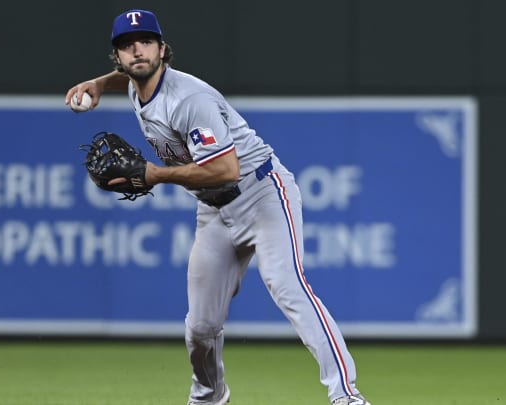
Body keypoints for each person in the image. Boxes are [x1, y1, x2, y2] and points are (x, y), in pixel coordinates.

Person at [64, 9, 371, 405]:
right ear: (118, 57)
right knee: (200, 326)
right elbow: (129, 75)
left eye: (145, 42)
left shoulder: (190, 99)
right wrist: (97, 84)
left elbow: (226, 169)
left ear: (162, 49)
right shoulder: (137, 83)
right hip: (214, 212)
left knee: (287, 286)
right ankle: (209, 397)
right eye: (126, 45)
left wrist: (156, 174)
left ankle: (346, 394)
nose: (137, 50)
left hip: (262, 194)